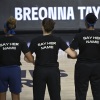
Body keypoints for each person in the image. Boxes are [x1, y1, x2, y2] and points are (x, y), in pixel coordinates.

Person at [27, 18, 77, 100]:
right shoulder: (57, 40)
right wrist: (76, 54)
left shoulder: (35, 40)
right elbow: (72, 54)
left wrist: (33, 61)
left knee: (38, 97)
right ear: (53, 28)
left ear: (42, 27)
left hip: (39, 71)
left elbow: (26, 58)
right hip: (53, 72)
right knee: (55, 97)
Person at [0, 16, 34, 100]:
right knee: (15, 95)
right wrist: (28, 59)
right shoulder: (20, 41)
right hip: (14, 71)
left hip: (1, 71)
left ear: (5, 28)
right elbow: (30, 59)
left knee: (1, 94)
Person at [69, 13, 100, 100]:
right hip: (97, 67)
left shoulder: (79, 36)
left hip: (82, 67)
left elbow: (70, 51)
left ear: (85, 22)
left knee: (81, 94)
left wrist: (75, 56)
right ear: (95, 22)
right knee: (98, 94)